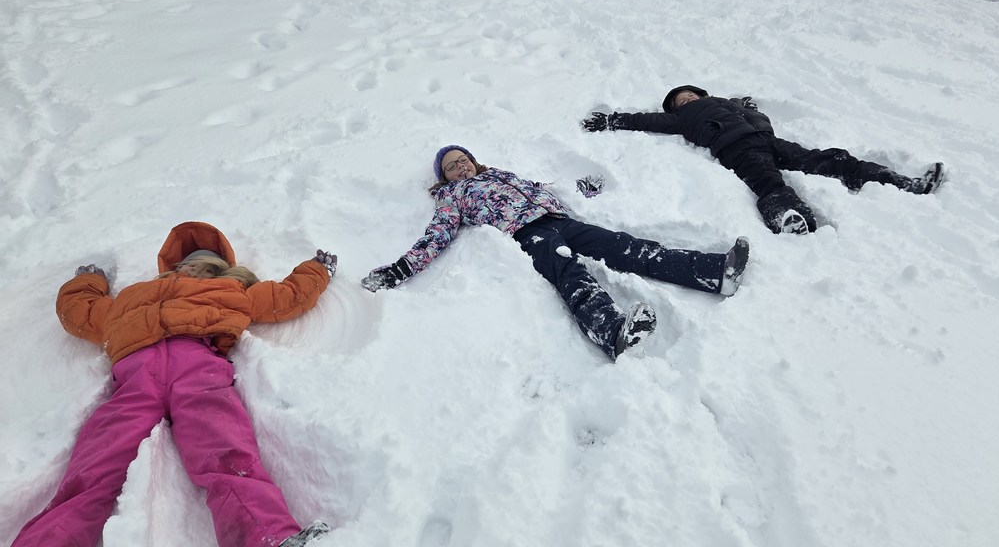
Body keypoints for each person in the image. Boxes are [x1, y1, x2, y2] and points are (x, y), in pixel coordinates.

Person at [0, 221, 339, 547]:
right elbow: (81, 311)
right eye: (191, 262)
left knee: (226, 456)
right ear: (171, 268)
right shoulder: (131, 299)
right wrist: (89, 279)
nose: (197, 269)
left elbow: (288, 296)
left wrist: (317, 270)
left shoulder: (234, 294)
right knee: (88, 480)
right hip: (135, 380)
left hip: (198, 365)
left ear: (223, 271)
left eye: (208, 265)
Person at [361, 146, 749, 361]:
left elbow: (546, 188)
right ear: (443, 178)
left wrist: (583, 187)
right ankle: (614, 333)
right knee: (569, 273)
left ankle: (713, 272)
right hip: (526, 235)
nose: (459, 167)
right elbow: (435, 237)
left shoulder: (500, 175)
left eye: (462, 159)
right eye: (450, 167)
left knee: (624, 246)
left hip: (558, 219)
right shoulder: (453, 197)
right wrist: (397, 272)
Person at [581, 84, 946, 234]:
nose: (687, 100)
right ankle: (787, 218)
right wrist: (613, 119)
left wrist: (747, 108)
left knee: (831, 159)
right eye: (680, 101)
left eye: (689, 94)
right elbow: (646, 120)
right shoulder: (682, 119)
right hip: (737, 149)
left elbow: (746, 109)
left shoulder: (726, 103)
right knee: (766, 181)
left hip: (769, 140)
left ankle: (901, 182)